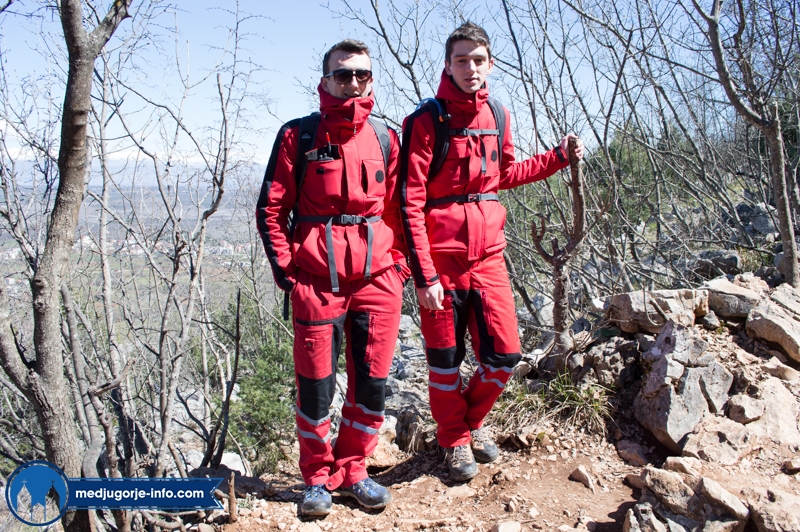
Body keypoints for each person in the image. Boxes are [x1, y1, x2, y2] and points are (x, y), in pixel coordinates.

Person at [399, 22, 584, 481]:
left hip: (488, 259)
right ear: (448, 66)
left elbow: (505, 174)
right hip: (441, 263)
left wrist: (558, 157)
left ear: (490, 64)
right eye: (461, 60)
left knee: (504, 356)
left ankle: (469, 423)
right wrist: (424, 276)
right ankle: (453, 439)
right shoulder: (426, 121)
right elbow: (410, 201)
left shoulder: (498, 115)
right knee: (445, 362)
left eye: (478, 60)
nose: (471, 68)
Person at [256, 39, 409, 516]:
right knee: (315, 386)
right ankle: (317, 479)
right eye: (343, 74)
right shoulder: (298, 135)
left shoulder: (386, 138)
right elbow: (271, 209)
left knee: (372, 384)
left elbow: (401, 211)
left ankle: (354, 470)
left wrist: (400, 269)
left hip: (378, 282)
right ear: (325, 81)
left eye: (362, 74)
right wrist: (290, 275)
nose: (354, 82)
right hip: (317, 283)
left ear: (371, 79)